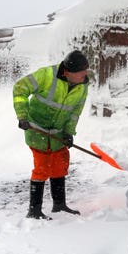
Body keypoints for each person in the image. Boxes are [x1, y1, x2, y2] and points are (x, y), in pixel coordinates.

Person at [13, 50, 90, 219]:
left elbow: (75, 112)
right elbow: (20, 88)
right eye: (81, 72)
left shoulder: (83, 86)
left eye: (86, 71)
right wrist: (22, 116)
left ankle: (59, 205)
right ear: (68, 72)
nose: (85, 75)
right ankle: (34, 210)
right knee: (42, 167)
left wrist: (69, 133)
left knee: (59, 166)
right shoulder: (47, 75)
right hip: (36, 130)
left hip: (58, 135)